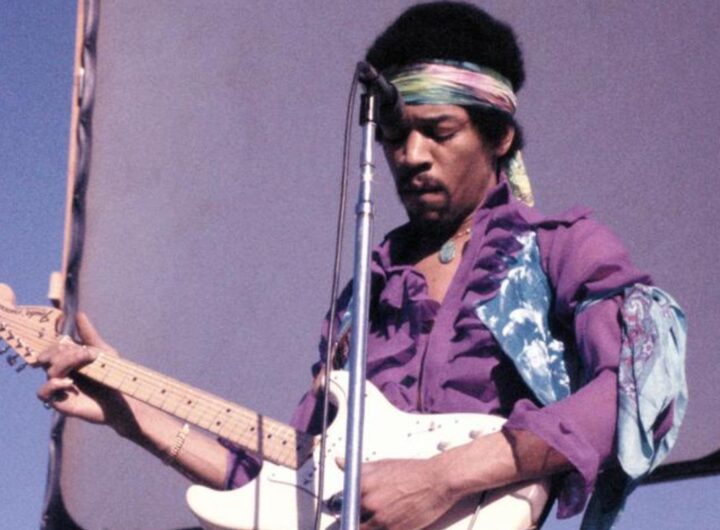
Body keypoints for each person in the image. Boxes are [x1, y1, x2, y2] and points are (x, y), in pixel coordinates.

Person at [35, 2, 686, 529]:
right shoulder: (363, 295)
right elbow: (294, 489)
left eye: (439, 131)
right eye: (395, 136)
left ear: (500, 135)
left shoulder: (560, 248)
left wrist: (441, 480)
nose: (411, 155)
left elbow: (640, 386)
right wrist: (131, 415)